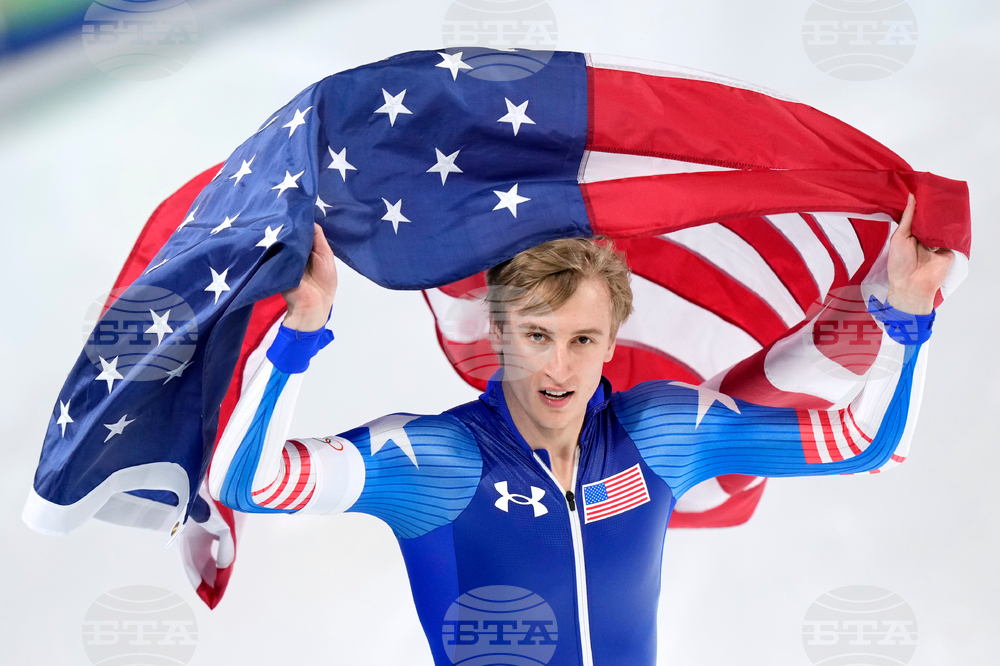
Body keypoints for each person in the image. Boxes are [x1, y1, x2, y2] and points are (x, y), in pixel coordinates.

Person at [208, 193, 953, 666]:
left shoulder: (663, 432)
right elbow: (250, 482)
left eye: (583, 339)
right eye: (537, 336)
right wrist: (299, 335)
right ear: (497, 332)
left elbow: (864, 445)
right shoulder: (431, 459)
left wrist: (908, 318)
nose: (558, 368)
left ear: (613, 338)